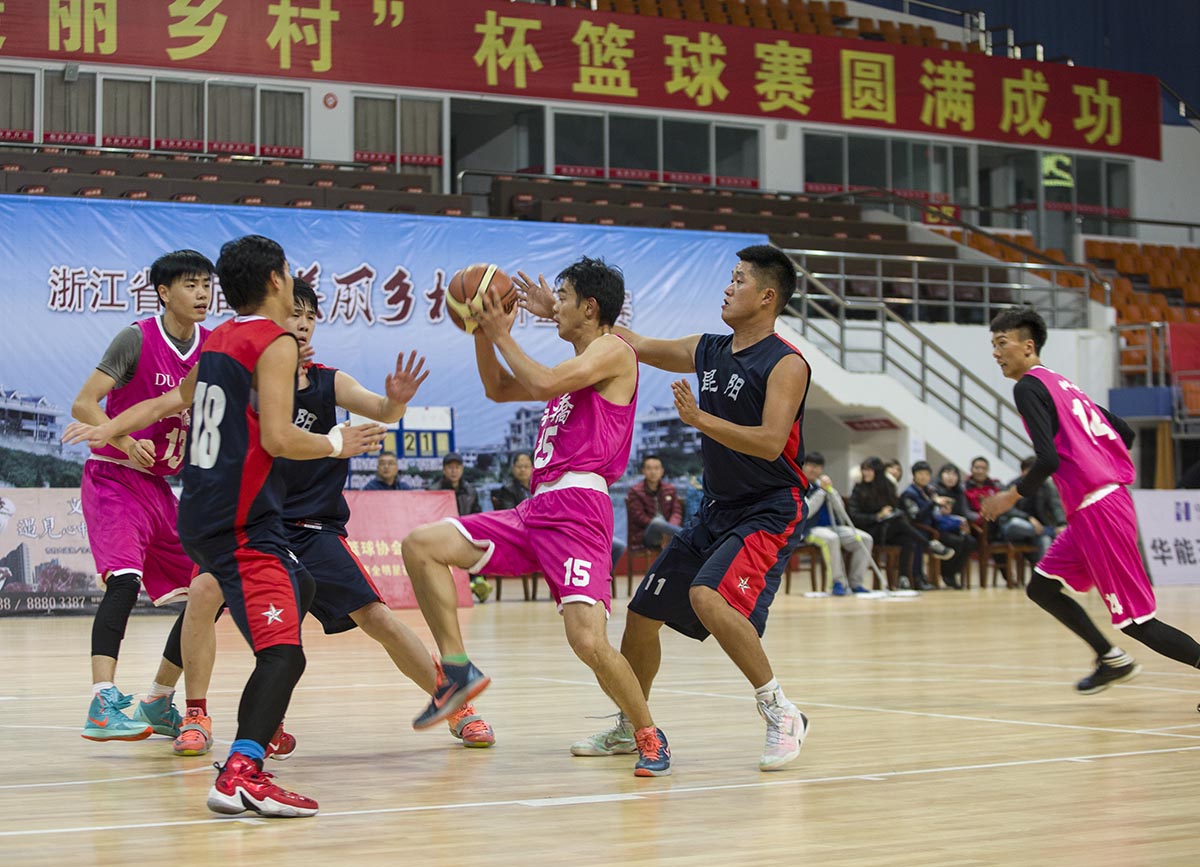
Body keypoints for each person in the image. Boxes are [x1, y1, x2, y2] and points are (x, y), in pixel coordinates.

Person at [118, 234, 383, 816]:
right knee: (284, 656)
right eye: (287, 272)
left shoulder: (218, 337)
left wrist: (107, 428)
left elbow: (173, 402)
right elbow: (280, 438)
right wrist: (337, 442)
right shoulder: (274, 341)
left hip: (203, 511)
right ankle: (242, 772)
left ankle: (253, 722)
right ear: (274, 281)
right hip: (240, 522)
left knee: (300, 585)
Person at [401, 256, 671, 777]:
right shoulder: (577, 368)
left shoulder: (613, 349)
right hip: (536, 510)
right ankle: (457, 671)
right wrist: (482, 331)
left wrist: (502, 331)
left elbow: (544, 381)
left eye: (563, 297)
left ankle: (647, 734)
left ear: (589, 307)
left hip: (578, 512)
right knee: (421, 545)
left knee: (587, 641)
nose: (552, 305)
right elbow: (498, 388)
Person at [580, 244, 813, 773]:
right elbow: (639, 345)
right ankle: (631, 724)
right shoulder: (709, 349)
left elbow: (770, 442)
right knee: (642, 616)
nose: (728, 288)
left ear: (767, 296)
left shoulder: (786, 362)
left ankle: (781, 711)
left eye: (739, 280)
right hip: (716, 508)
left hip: (769, 509)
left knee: (708, 596)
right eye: (730, 278)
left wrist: (700, 420)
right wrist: (577, 314)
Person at [982, 306, 1200, 697]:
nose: (996, 353)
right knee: (1041, 589)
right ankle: (1111, 659)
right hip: (1095, 507)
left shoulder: (1027, 387)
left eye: (1002, 343)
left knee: (1137, 622)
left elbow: (1047, 460)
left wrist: (1008, 498)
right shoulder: (1062, 384)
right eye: (993, 346)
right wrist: (1095, 459)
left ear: (1028, 346)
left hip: (1099, 509)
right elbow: (1125, 433)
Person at [65, 249, 222, 744]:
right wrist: (123, 440)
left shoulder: (213, 347)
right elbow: (83, 404)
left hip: (161, 488)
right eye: (191, 285)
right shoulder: (136, 338)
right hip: (113, 477)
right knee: (125, 581)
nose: (202, 293)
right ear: (164, 292)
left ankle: (157, 697)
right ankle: (102, 701)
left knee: (210, 591)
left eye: (207, 285)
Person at [849, 457, 953, 592]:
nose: (865, 473)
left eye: (869, 470)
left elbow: (895, 508)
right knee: (900, 523)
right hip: (869, 529)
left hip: (888, 528)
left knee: (907, 538)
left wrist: (889, 514)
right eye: (864, 470)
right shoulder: (859, 489)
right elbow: (854, 516)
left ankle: (903, 578)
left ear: (877, 471)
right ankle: (930, 545)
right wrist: (877, 516)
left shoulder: (887, 487)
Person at [799, 452, 874, 595]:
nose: (814, 470)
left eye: (818, 467)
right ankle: (837, 583)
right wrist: (821, 492)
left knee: (865, 539)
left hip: (834, 527)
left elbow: (841, 512)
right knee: (831, 539)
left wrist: (831, 493)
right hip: (810, 530)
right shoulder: (799, 487)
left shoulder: (824, 487)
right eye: (811, 466)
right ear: (804, 466)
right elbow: (807, 512)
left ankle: (856, 583)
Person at [900, 460, 975, 589]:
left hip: (934, 527)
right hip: (918, 530)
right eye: (920, 474)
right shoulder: (909, 493)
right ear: (914, 475)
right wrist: (933, 503)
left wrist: (945, 512)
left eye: (926, 474)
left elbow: (935, 513)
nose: (924, 477)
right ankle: (918, 578)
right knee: (954, 541)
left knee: (969, 540)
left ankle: (950, 574)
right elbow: (916, 516)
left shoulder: (929, 491)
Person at [436, 452, 490, 602]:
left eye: (457, 467)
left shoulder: (470, 491)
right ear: (444, 470)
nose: (454, 471)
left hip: (466, 532)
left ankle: (478, 581)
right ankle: (465, 584)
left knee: (481, 541)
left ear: (462, 469)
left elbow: (477, 514)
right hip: (442, 533)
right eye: (450, 467)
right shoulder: (435, 490)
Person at [625, 454, 683, 553]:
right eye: (649, 468)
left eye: (656, 468)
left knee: (665, 524)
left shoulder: (670, 489)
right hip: (646, 535)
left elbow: (676, 512)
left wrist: (668, 530)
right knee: (657, 522)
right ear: (643, 471)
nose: (653, 472)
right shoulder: (635, 491)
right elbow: (639, 517)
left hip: (669, 533)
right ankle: (686, 536)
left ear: (662, 471)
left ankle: (679, 535)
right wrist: (663, 530)